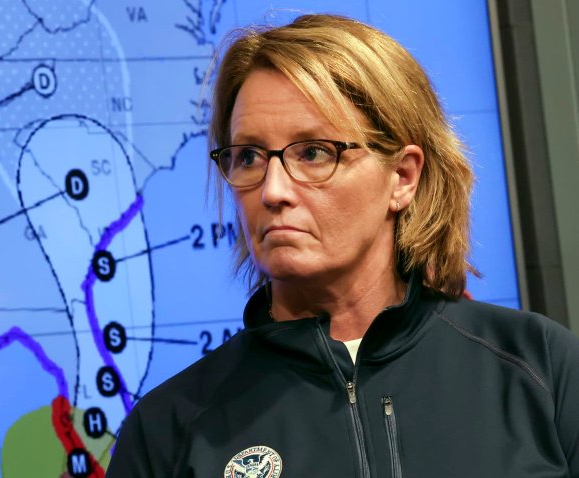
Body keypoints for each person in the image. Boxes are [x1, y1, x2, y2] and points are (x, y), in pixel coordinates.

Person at [105, 14, 579, 478]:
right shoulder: (167, 431)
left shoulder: (540, 368)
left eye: (313, 152)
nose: (272, 191)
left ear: (402, 177)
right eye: (248, 156)